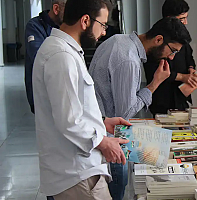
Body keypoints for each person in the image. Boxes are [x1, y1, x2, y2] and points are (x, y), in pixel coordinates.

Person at [32, 0, 131, 199]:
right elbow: (69, 120)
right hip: (77, 175)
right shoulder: (61, 56)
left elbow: (71, 107)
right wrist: (103, 142)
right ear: (85, 21)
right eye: (102, 25)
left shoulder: (66, 51)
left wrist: (103, 123)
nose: (103, 33)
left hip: (79, 170)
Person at [88, 17, 191, 199]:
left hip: (99, 132)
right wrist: (155, 83)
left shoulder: (118, 40)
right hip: (109, 141)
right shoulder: (129, 60)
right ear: (159, 39)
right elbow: (124, 114)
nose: (171, 57)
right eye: (172, 50)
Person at [144, 0, 197, 116]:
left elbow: (189, 56)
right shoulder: (156, 41)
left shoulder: (182, 37)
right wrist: (181, 77)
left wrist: (191, 68)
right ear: (170, 19)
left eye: (186, 18)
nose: (185, 23)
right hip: (162, 97)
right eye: (181, 19)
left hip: (180, 96)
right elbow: (153, 69)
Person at [24, 0, 66, 114]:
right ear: (56, 9)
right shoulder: (35, 26)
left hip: (62, 91)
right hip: (41, 93)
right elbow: (39, 57)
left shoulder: (66, 28)